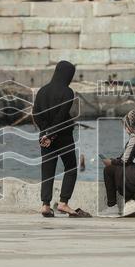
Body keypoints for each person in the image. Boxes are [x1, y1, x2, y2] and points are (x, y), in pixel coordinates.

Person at [32, 61, 90, 218]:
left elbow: (35, 113)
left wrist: (45, 133)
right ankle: (63, 203)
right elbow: (61, 117)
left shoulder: (42, 91)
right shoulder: (67, 92)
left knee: (47, 171)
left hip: (45, 138)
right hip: (63, 136)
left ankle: (45, 205)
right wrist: (52, 133)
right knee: (70, 167)